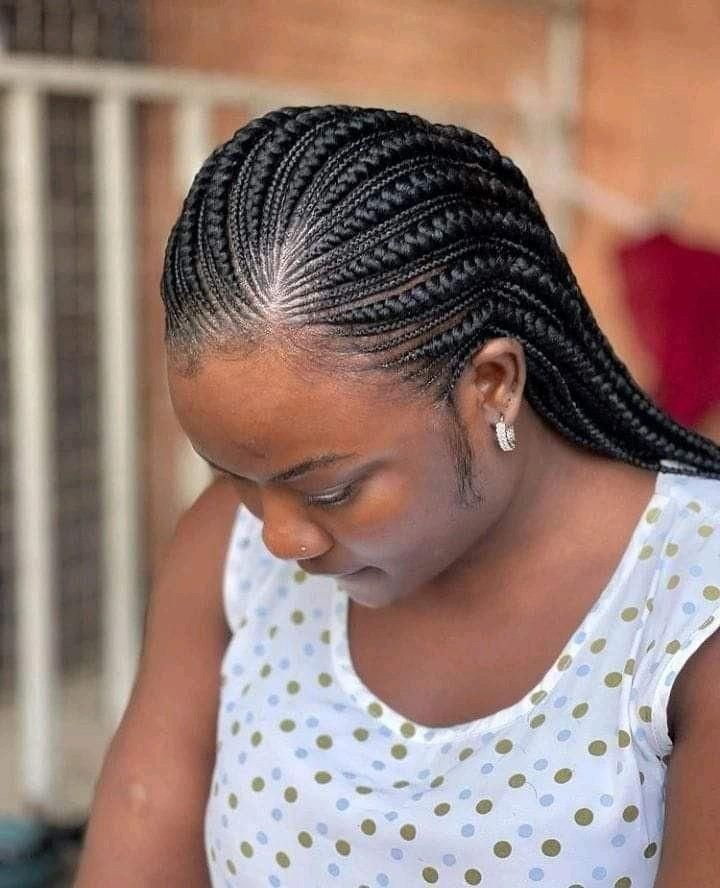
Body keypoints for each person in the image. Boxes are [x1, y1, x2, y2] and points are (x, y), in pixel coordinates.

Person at [75, 105, 720, 887]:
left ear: (492, 385)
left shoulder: (692, 602)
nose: (278, 537)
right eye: (234, 475)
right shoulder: (227, 551)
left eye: (332, 488)